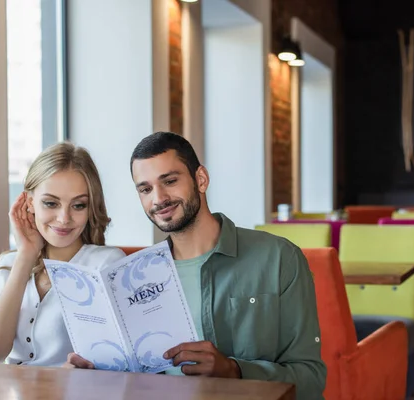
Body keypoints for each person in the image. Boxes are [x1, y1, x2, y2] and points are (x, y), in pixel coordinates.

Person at [66, 132, 326, 399]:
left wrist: (235, 371)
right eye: (145, 189)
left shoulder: (278, 258)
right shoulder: (132, 278)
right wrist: (97, 373)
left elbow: (310, 379)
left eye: (170, 181)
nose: (159, 199)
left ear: (201, 179)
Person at [0, 142, 126, 367]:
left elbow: (119, 360)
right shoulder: (9, 263)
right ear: (30, 202)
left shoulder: (106, 264)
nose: (64, 218)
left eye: (78, 205)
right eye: (51, 203)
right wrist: (26, 255)